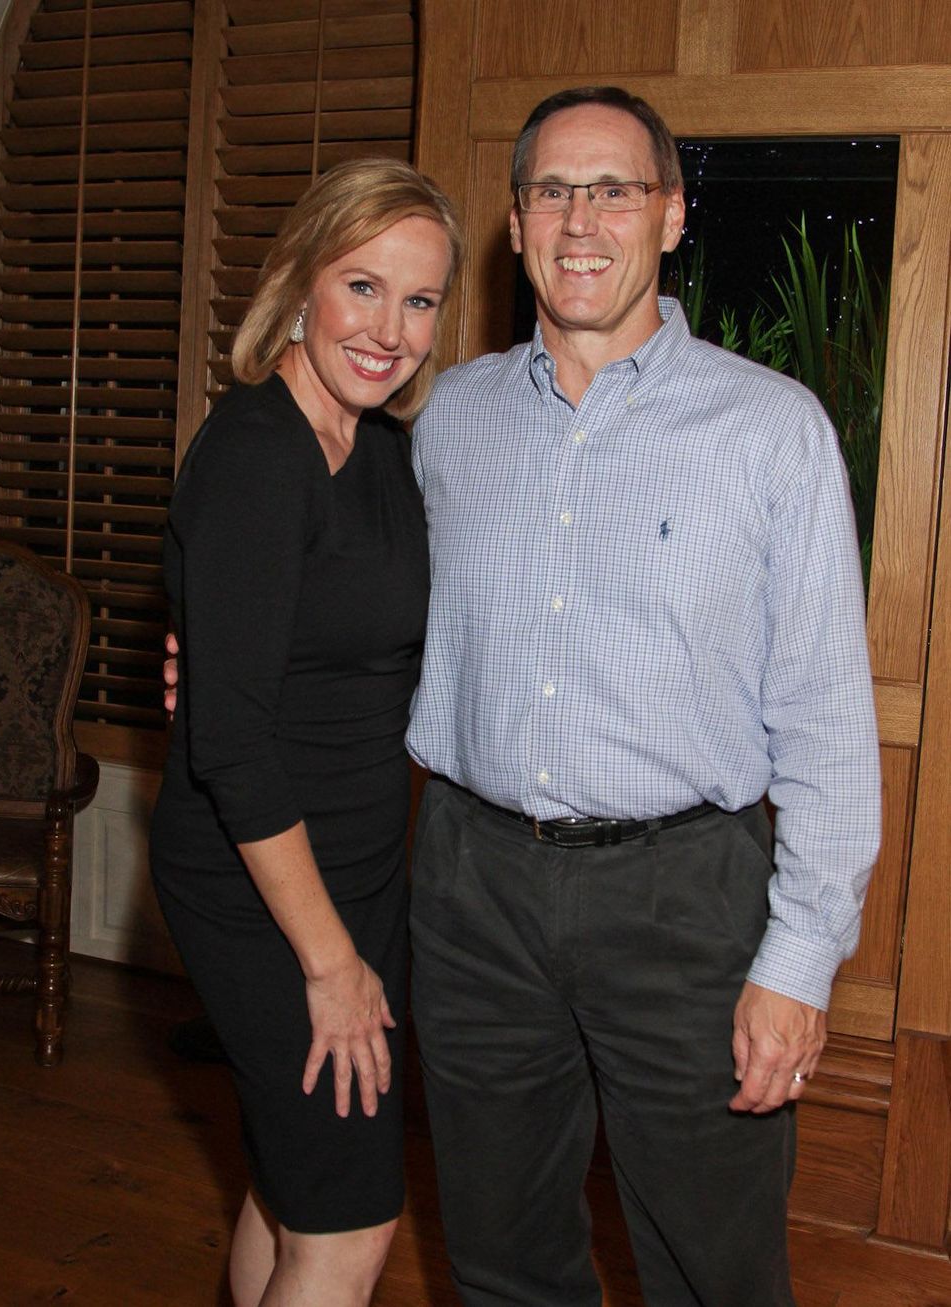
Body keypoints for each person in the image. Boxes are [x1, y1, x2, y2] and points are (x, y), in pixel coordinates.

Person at [406, 86, 881, 1306]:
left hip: (683, 900)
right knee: (501, 1255)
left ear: (670, 216)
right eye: (552, 190)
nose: (581, 220)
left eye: (613, 188)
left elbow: (825, 714)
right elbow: (357, 602)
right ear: (513, 224)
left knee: (712, 1267)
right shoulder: (446, 419)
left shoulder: (768, 429)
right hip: (471, 886)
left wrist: (798, 960)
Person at [150, 157, 462, 1307]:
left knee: (290, 1186)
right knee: (349, 1221)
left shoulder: (379, 447)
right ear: (298, 284)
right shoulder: (254, 456)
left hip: (357, 865)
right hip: (266, 887)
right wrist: (330, 963)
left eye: (419, 299)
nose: (389, 329)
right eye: (362, 286)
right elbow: (230, 746)